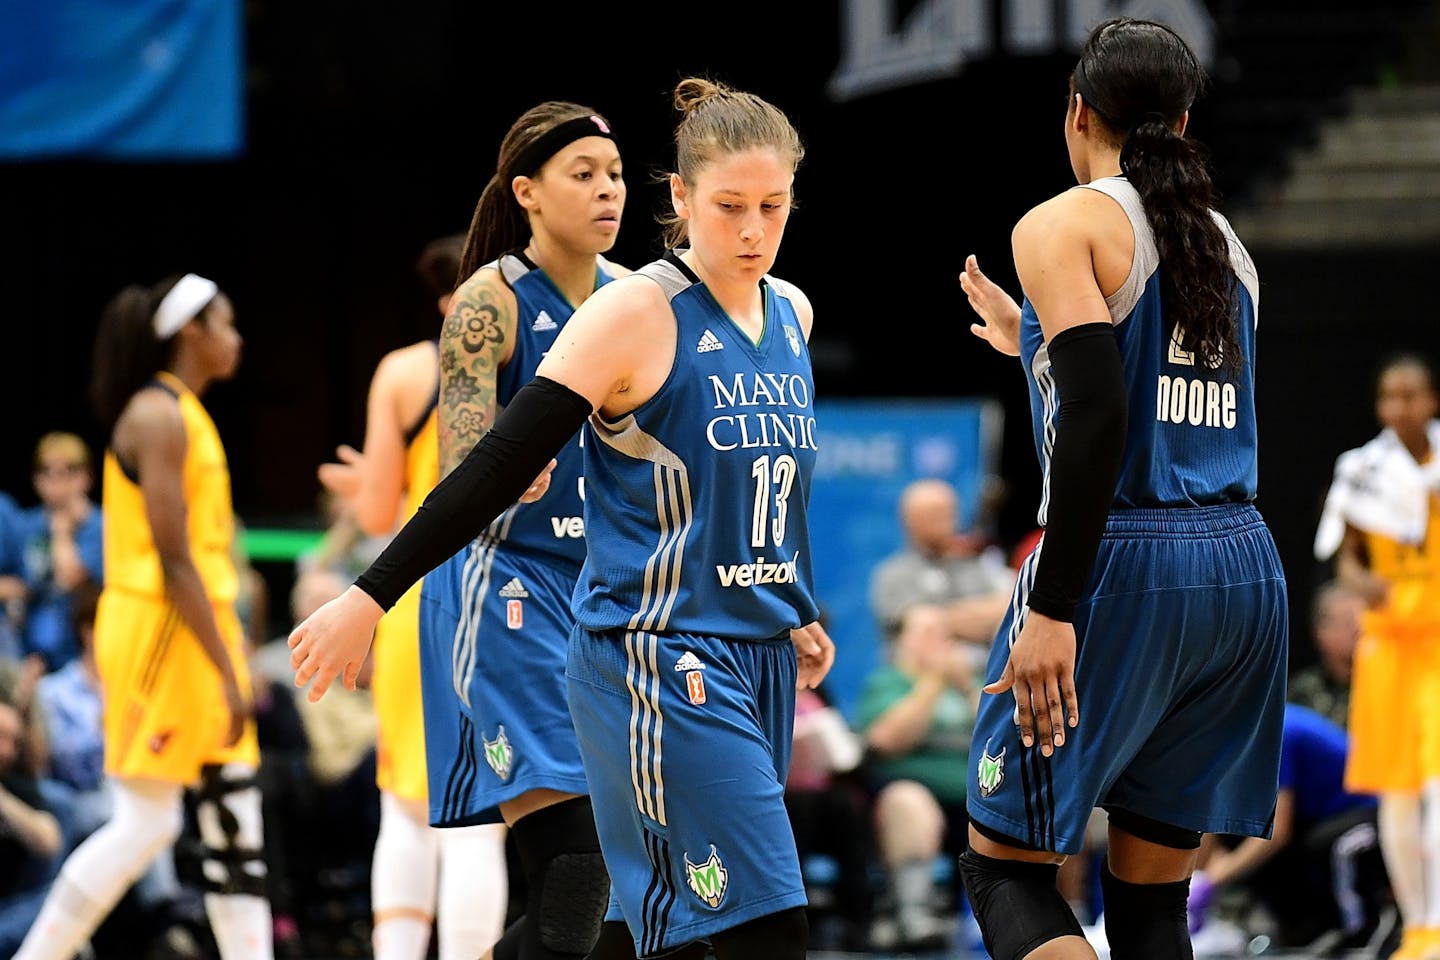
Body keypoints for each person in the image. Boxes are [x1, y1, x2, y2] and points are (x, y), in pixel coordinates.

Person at [289, 77, 835, 960]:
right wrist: (370, 593)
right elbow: (493, 463)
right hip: (649, 648)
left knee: (634, 923)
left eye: (772, 206)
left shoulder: (793, 314)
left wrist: (795, 605)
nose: (752, 229)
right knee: (759, 927)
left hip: (752, 646)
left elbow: (764, 487)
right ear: (683, 198)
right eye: (729, 205)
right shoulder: (626, 310)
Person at [957, 17, 1286, 960]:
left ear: (1077, 113)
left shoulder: (1063, 221)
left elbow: (1103, 419)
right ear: (1182, 125)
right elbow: (1169, 398)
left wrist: (1052, 606)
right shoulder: (1225, 245)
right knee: (1147, 901)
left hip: (1123, 566)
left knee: (1003, 868)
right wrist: (1032, 338)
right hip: (1238, 574)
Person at [14, 273, 275, 960]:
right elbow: (172, 558)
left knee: (235, 818)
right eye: (226, 322)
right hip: (162, 634)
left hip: (199, 628)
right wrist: (227, 668)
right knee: (146, 823)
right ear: (192, 331)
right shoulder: (155, 414)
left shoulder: (186, 411)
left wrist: (228, 652)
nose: (237, 337)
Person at [316, 231, 511, 960]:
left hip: (411, 594)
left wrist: (374, 481)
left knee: (405, 805)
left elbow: (375, 518)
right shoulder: (532, 361)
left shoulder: (403, 370)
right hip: (497, 594)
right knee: (480, 813)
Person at [1313, 351, 1440, 960]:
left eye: (1410, 395)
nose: (1399, 407)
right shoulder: (1362, 469)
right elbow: (1346, 557)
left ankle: (1438, 923)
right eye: (1389, 396)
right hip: (1389, 645)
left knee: (1439, 785)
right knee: (1396, 790)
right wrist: (1364, 584)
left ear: (1431, 401)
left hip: (1438, 641)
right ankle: (1417, 928)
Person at [1187, 703, 1388, 951]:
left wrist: (1212, 881)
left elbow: (1278, 832)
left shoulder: (1274, 732)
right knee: (1237, 837)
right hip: (1316, 816)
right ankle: (1299, 931)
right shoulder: (1234, 735)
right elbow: (1216, 821)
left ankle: (1356, 934)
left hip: (1367, 812)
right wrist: (1189, 881)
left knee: (1316, 844)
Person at [854, 602, 977, 951]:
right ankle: (914, 915)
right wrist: (932, 684)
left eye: (944, 633)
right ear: (903, 642)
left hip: (974, 799)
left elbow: (1001, 741)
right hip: (913, 794)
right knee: (907, 801)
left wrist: (967, 689)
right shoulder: (888, 683)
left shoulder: (974, 684)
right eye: (925, 632)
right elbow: (885, 740)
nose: (938, 641)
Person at [868, 478, 1014, 648]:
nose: (945, 521)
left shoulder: (976, 565)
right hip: (920, 673)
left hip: (984, 671)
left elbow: (1007, 611)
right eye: (934, 513)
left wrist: (943, 619)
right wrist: (979, 615)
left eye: (949, 512)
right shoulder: (892, 574)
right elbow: (923, 626)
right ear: (909, 520)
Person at [16, 432, 105, 672]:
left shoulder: (101, 526)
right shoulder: (27, 525)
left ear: (87, 477)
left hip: (85, 653)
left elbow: (69, 578)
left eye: (69, 472)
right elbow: (22, 583)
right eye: (47, 472)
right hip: (33, 652)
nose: (58, 482)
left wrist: (62, 532)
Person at [1286, 579, 1365, 729]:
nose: (1358, 630)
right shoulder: (1302, 693)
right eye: (1347, 623)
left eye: (1363, 621)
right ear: (1320, 632)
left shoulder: (1382, 685)